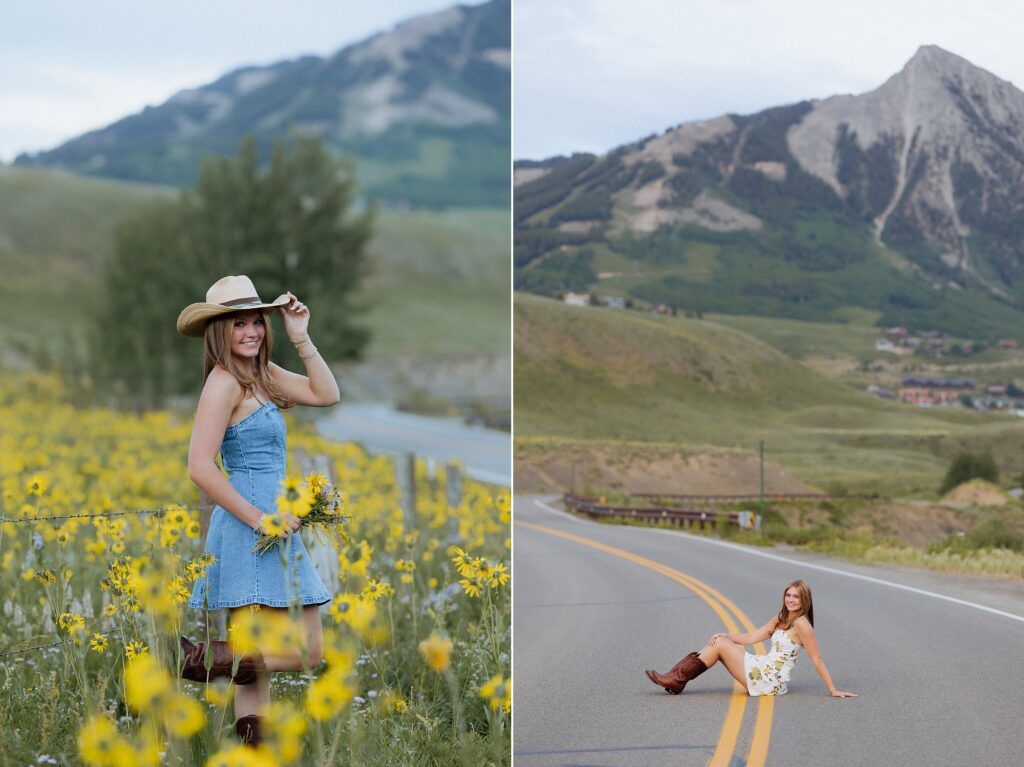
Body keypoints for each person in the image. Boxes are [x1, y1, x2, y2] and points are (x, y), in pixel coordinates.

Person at [175, 275, 341, 746]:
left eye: (256, 322)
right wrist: (260, 518)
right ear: (219, 332)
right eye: (238, 324)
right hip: (251, 529)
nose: (251, 331)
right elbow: (199, 467)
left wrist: (300, 335)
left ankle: (214, 662)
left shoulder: (262, 376)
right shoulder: (223, 383)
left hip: (277, 529)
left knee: (284, 659)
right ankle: (209, 661)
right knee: (302, 653)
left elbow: (327, 394)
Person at [645, 580, 856, 698]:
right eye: (788, 595)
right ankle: (675, 678)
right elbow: (752, 637)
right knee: (721, 641)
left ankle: (677, 679)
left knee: (719, 645)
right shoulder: (781, 618)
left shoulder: (802, 624)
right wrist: (726, 634)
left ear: (805, 600)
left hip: (769, 679)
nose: (791, 600)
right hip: (763, 668)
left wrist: (832, 689)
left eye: (796, 596)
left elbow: (817, 658)